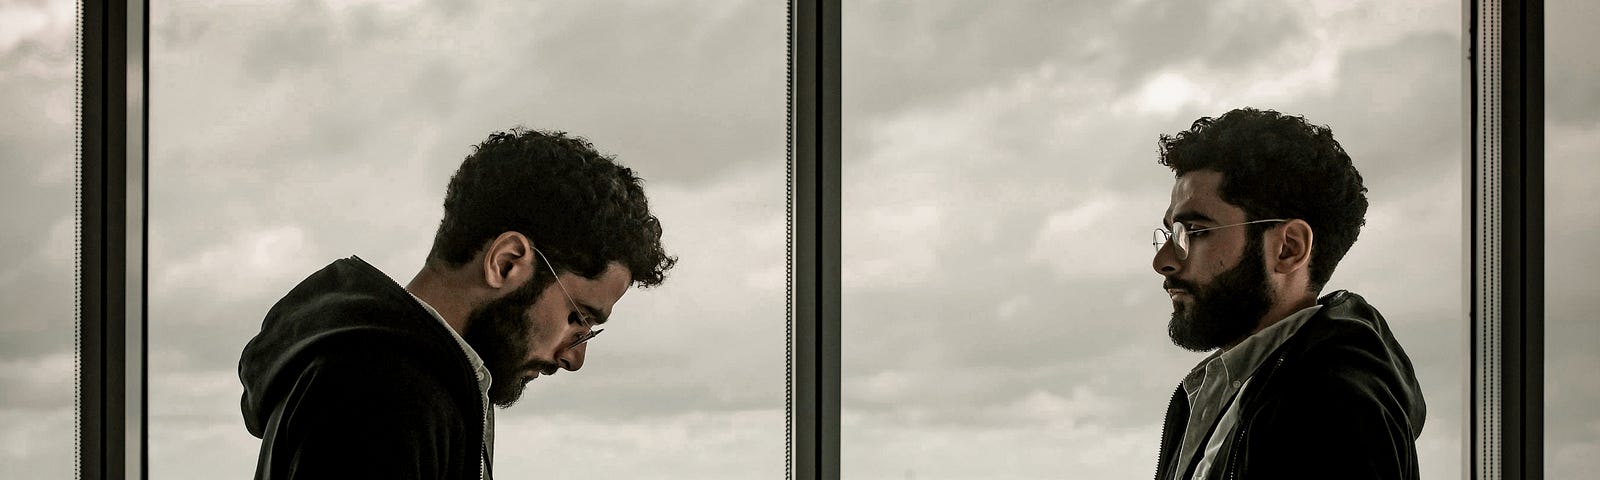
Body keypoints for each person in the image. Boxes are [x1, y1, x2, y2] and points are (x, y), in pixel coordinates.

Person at [238, 128, 676, 479]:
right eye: (577, 318)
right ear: (507, 263)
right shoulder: (384, 396)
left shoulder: (426, 379)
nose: (574, 358)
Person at [1148, 108, 1425, 479]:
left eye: (1194, 231)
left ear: (1288, 248)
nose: (1164, 260)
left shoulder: (1331, 408)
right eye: (1170, 233)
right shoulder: (1216, 392)